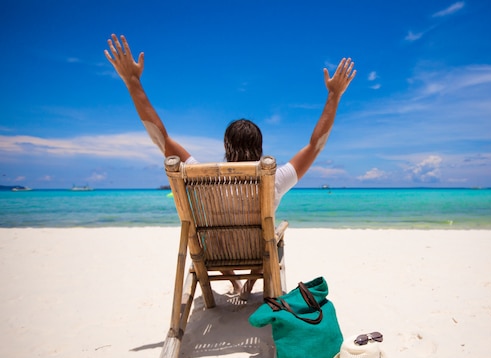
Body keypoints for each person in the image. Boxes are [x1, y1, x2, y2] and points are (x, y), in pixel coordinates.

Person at [105, 34, 356, 296]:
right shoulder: (274, 178)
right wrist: (334, 95)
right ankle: (250, 283)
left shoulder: (200, 176)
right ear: (260, 150)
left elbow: (161, 138)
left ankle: (236, 282)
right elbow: (316, 145)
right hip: (258, 253)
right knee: (277, 234)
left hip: (215, 254)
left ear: (226, 149)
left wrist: (132, 82)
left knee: (209, 236)